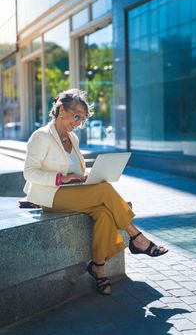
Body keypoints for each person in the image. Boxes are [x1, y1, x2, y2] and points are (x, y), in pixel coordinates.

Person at [23, 88, 168, 296]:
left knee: (104, 213)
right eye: (77, 117)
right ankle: (137, 238)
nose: (79, 124)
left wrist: (85, 176)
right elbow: (29, 172)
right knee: (104, 192)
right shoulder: (41, 136)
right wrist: (60, 179)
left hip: (73, 191)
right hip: (50, 195)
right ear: (61, 110)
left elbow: (75, 169)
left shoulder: (73, 138)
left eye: (82, 120)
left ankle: (98, 267)